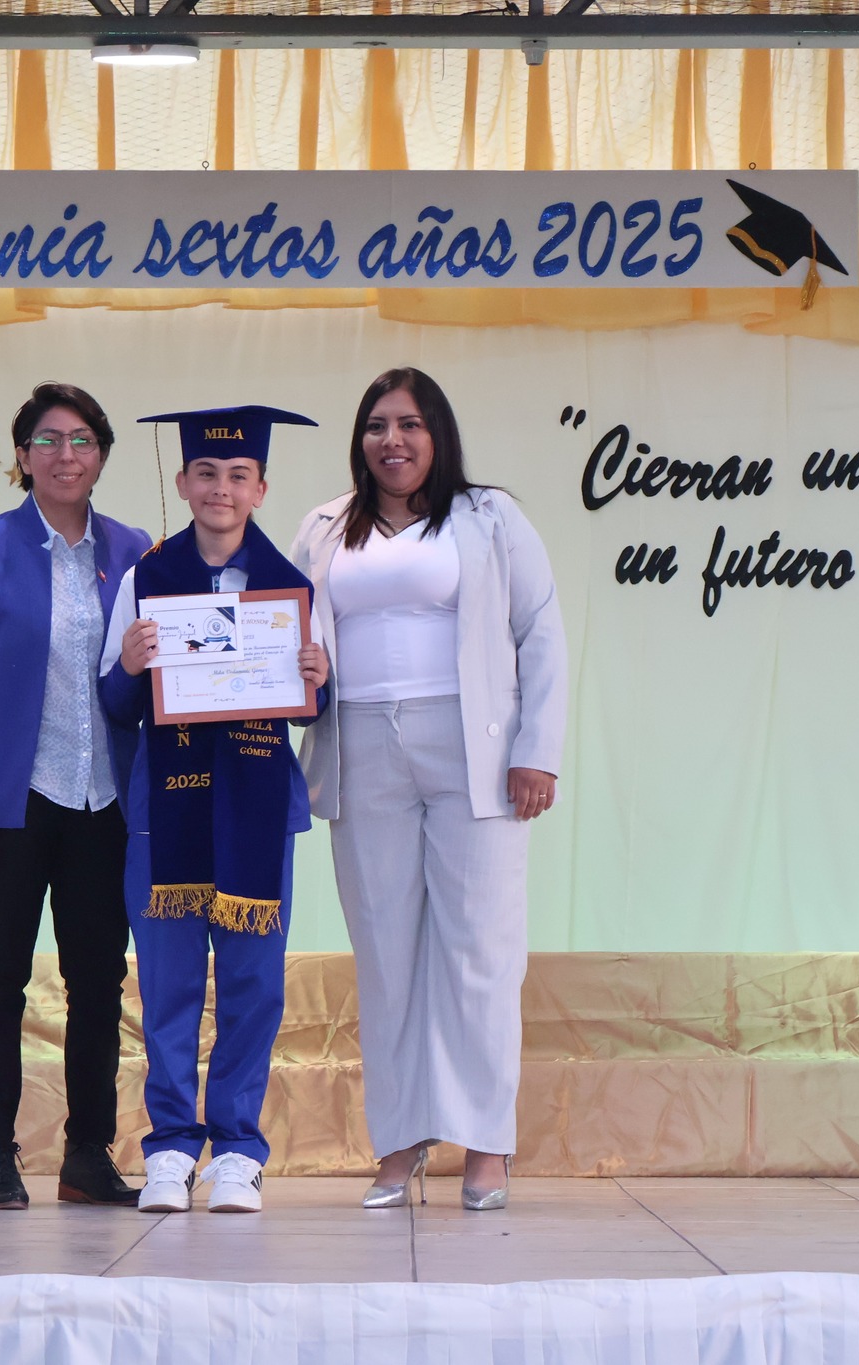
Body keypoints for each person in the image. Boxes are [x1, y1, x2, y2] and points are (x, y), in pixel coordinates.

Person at [290, 367, 566, 1212]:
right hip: (361, 747)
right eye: (377, 424)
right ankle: (401, 1141)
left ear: (437, 434)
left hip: (474, 750)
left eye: (410, 423)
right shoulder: (325, 525)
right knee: (386, 954)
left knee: (480, 950)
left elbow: (540, 631)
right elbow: (292, 633)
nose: (393, 440)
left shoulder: (490, 516)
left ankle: (486, 1144)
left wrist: (537, 751)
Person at [0, 381, 153, 1210]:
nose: (65, 455)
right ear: (21, 456)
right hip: (11, 801)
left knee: (98, 980)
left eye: (82, 440)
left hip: (104, 798)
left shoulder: (135, 550)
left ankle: (88, 1152)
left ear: (102, 455)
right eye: (47, 440)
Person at [99, 405, 331, 1215]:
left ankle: (236, 1150)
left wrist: (317, 678)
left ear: (260, 488)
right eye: (206, 473)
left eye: (238, 475)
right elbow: (115, 702)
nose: (221, 489)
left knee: (252, 987)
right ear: (182, 481)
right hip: (164, 815)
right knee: (165, 986)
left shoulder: (292, 588)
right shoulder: (145, 579)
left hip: (258, 811)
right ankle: (169, 1147)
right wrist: (130, 666)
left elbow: (311, 705)